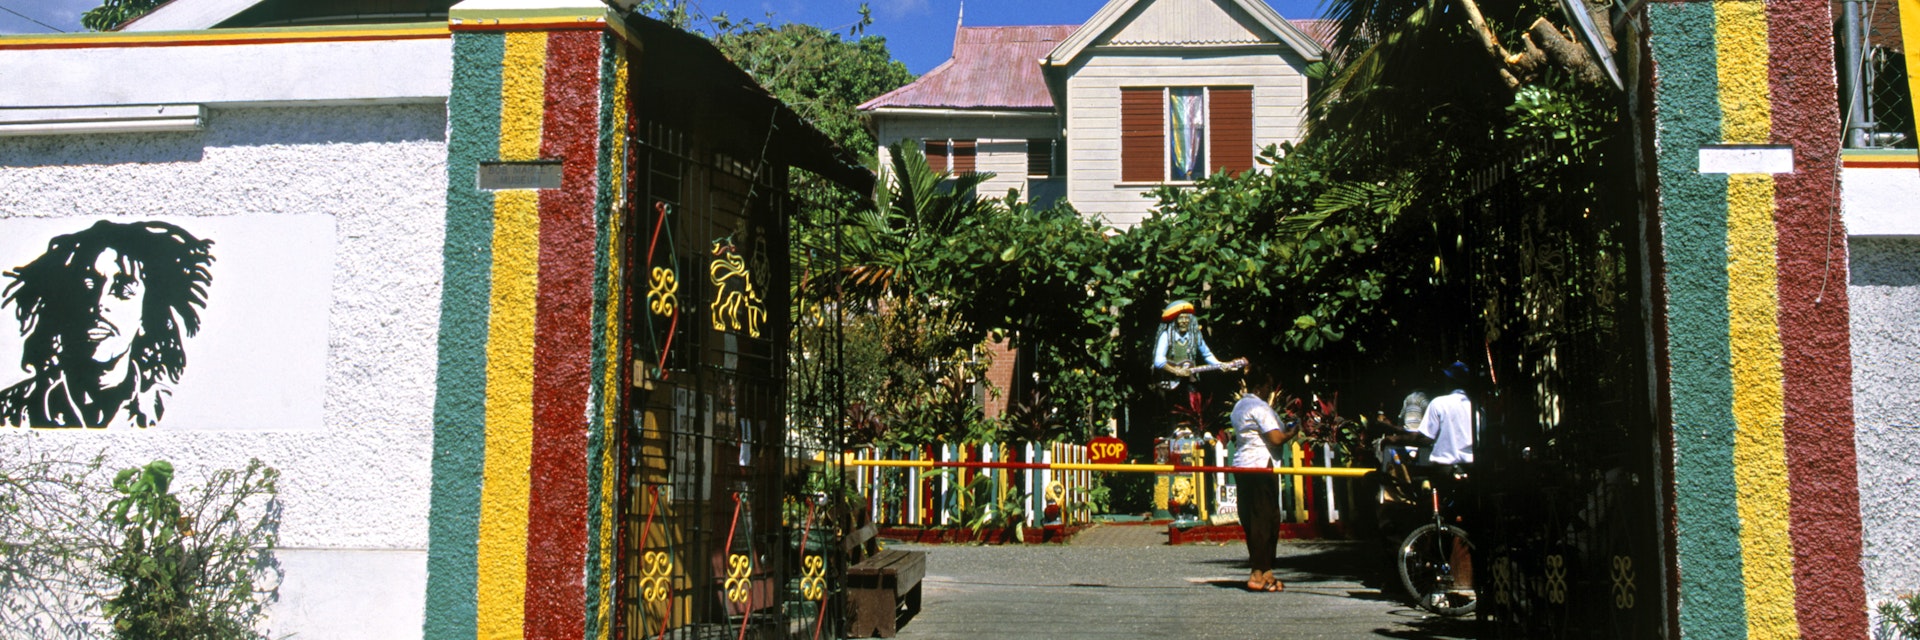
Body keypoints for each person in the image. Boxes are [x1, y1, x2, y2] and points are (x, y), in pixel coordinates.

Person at [0, 220, 214, 428]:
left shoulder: (167, 411)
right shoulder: (11, 412)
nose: (99, 304)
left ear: (147, 316)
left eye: (124, 290)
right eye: (87, 286)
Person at [1230, 370, 1295, 592]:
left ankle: (1265, 570)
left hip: (1242, 465)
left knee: (1253, 519)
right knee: (1265, 519)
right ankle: (1258, 572)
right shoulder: (1259, 407)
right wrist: (1292, 432)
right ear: (1259, 387)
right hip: (1260, 465)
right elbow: (1276, 438)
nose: (1270, 391)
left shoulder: (1239, 406)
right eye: (1268, 387)